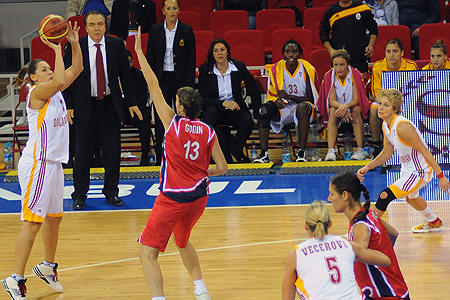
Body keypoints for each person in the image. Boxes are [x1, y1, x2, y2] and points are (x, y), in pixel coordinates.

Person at [134, 27, 227, 300]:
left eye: (175, 101)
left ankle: (159, 299)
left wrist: (140, 52)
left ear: (182, 108)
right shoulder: (209, 130)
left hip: (173, 198)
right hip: (198, 198)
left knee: (147, 252)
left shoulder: (172, 124)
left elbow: (152, 84)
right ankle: (201, 289)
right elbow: (222, 168)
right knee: (182, 240)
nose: (172, 103)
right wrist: (201, 171)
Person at [1, 22, 83, 300]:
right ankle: (14, 278)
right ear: (34, 78)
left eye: (50, 67)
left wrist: (73, 42)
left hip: (54, 165)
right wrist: (57, 48)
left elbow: (77, 69)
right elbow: (61, 78)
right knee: (33, 223)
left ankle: (47, 266)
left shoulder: (55, 89)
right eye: (44, 69)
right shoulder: (37, 94)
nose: (50, 71)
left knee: (54, 219)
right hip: (37, 163)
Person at [63, 10, 142, 210]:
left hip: (110, 105)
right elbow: (66, 79)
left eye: (100, 24)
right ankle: (79, 195)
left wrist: (132, 102)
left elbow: (126, 76)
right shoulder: (76, 46)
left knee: (112, 153)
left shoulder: (116, 45)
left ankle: (111, 192)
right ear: (86, 27)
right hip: (83, 106)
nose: (97, 28)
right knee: (81, 154)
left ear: (105, 26)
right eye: (92, 25)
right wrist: (69, 105)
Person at [357, 89, 450, 232]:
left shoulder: (402, 127)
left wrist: (441, 176)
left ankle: (366, 230)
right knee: (411, 198)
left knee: (384, 196)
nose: (381, 107)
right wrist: (368, 166)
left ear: (394, 108)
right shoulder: (385, 125)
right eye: (380, 103)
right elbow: (387, 153)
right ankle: (434, 222)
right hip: (407, 168)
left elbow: (425, 150)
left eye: (386, 105)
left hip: (419, 170)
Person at [282, 200, 391, 300]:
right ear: (330, 223)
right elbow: (386, 260)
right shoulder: (346, 244)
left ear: (306, 226)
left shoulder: (296, 254)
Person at [329, 171, 410, 299]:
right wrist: (382, 250)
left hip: (385, 294)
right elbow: (393, 234)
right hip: (397, 289)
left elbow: (359, 253)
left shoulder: (360, 225)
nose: (329, 199)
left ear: (345, 195)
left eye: (332, 194)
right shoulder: (369, 213)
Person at [146, 0, 196, 165]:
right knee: (161, 119)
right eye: (169, 8)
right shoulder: (155, 30)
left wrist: (188, 86)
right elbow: (151, 57)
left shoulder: (187, 30)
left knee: (183, 117)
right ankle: (162, 157)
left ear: (179, 11)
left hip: (180, 80)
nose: (172, 11)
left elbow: (191, 59)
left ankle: (184, 155)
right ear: (163, 11)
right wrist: (152, 82)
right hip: (161, 80)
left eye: (175, 8)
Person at [254, 39, 318, 163]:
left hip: (304, 108)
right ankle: (264, 154)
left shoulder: (307, 68)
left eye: (294, 51)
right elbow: (272, 94)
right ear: (283, 54)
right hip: (285, 108)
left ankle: (301, 153)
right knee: (263, 110)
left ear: (300, 54)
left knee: (302, 108)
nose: (291, 54)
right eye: (288, 52)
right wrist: (277, 100)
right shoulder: (276, 69)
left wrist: (289, 96)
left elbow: (311, 98)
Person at [199, 38, 262, 163]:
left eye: (222, 50)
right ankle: (213, 155)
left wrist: (256, 114)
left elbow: (254, 90)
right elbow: (204, 97)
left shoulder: (238, 66)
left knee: (247, 121)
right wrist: (222, 103)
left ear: (228, 52)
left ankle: (235, 150)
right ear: (212, 54)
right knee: (210, 117)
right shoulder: (205, 69)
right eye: (216, 50)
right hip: (215, 109)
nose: (219, 53)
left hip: (235, 108)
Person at [317, 50, 371, 161]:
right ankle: (331, 151)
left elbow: (356, 99)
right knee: (332, 111)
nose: (339, 68)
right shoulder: (329, 76)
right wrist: (342, 107)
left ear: (347, 64)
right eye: (336, 65)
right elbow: (331, 101)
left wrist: (346, 107)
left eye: (342, 64)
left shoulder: (354, 74)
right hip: (338, 108)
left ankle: (360, 150)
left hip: (352, 107)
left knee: (356, 110)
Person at [370, 39, 418, 156]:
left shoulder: (411, 66)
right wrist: (389, 104)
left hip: (407, 100)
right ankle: (376, 146)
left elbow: (416, 90)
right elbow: (376, 93)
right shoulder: (377, 67)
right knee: (374, 109)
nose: (391, 54)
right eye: (388, 51)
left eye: (395, 51)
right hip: (384, 102)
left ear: (402, 53)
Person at [319, 0, 378, 73]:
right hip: (339, 60)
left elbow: (374, 30)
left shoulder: (363, 9)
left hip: (359, 59)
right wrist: (331, 50)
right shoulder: (330, 12)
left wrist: (371, 45)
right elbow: (323, 33)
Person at [124, 50, 153, 165]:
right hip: (118, 110)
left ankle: (145, 152)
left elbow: (143, 97)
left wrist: (133, 105)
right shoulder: (112, 73)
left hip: (136, 110)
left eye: (129, 62)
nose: (127, 65)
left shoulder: (138, 75)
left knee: (144, 117)